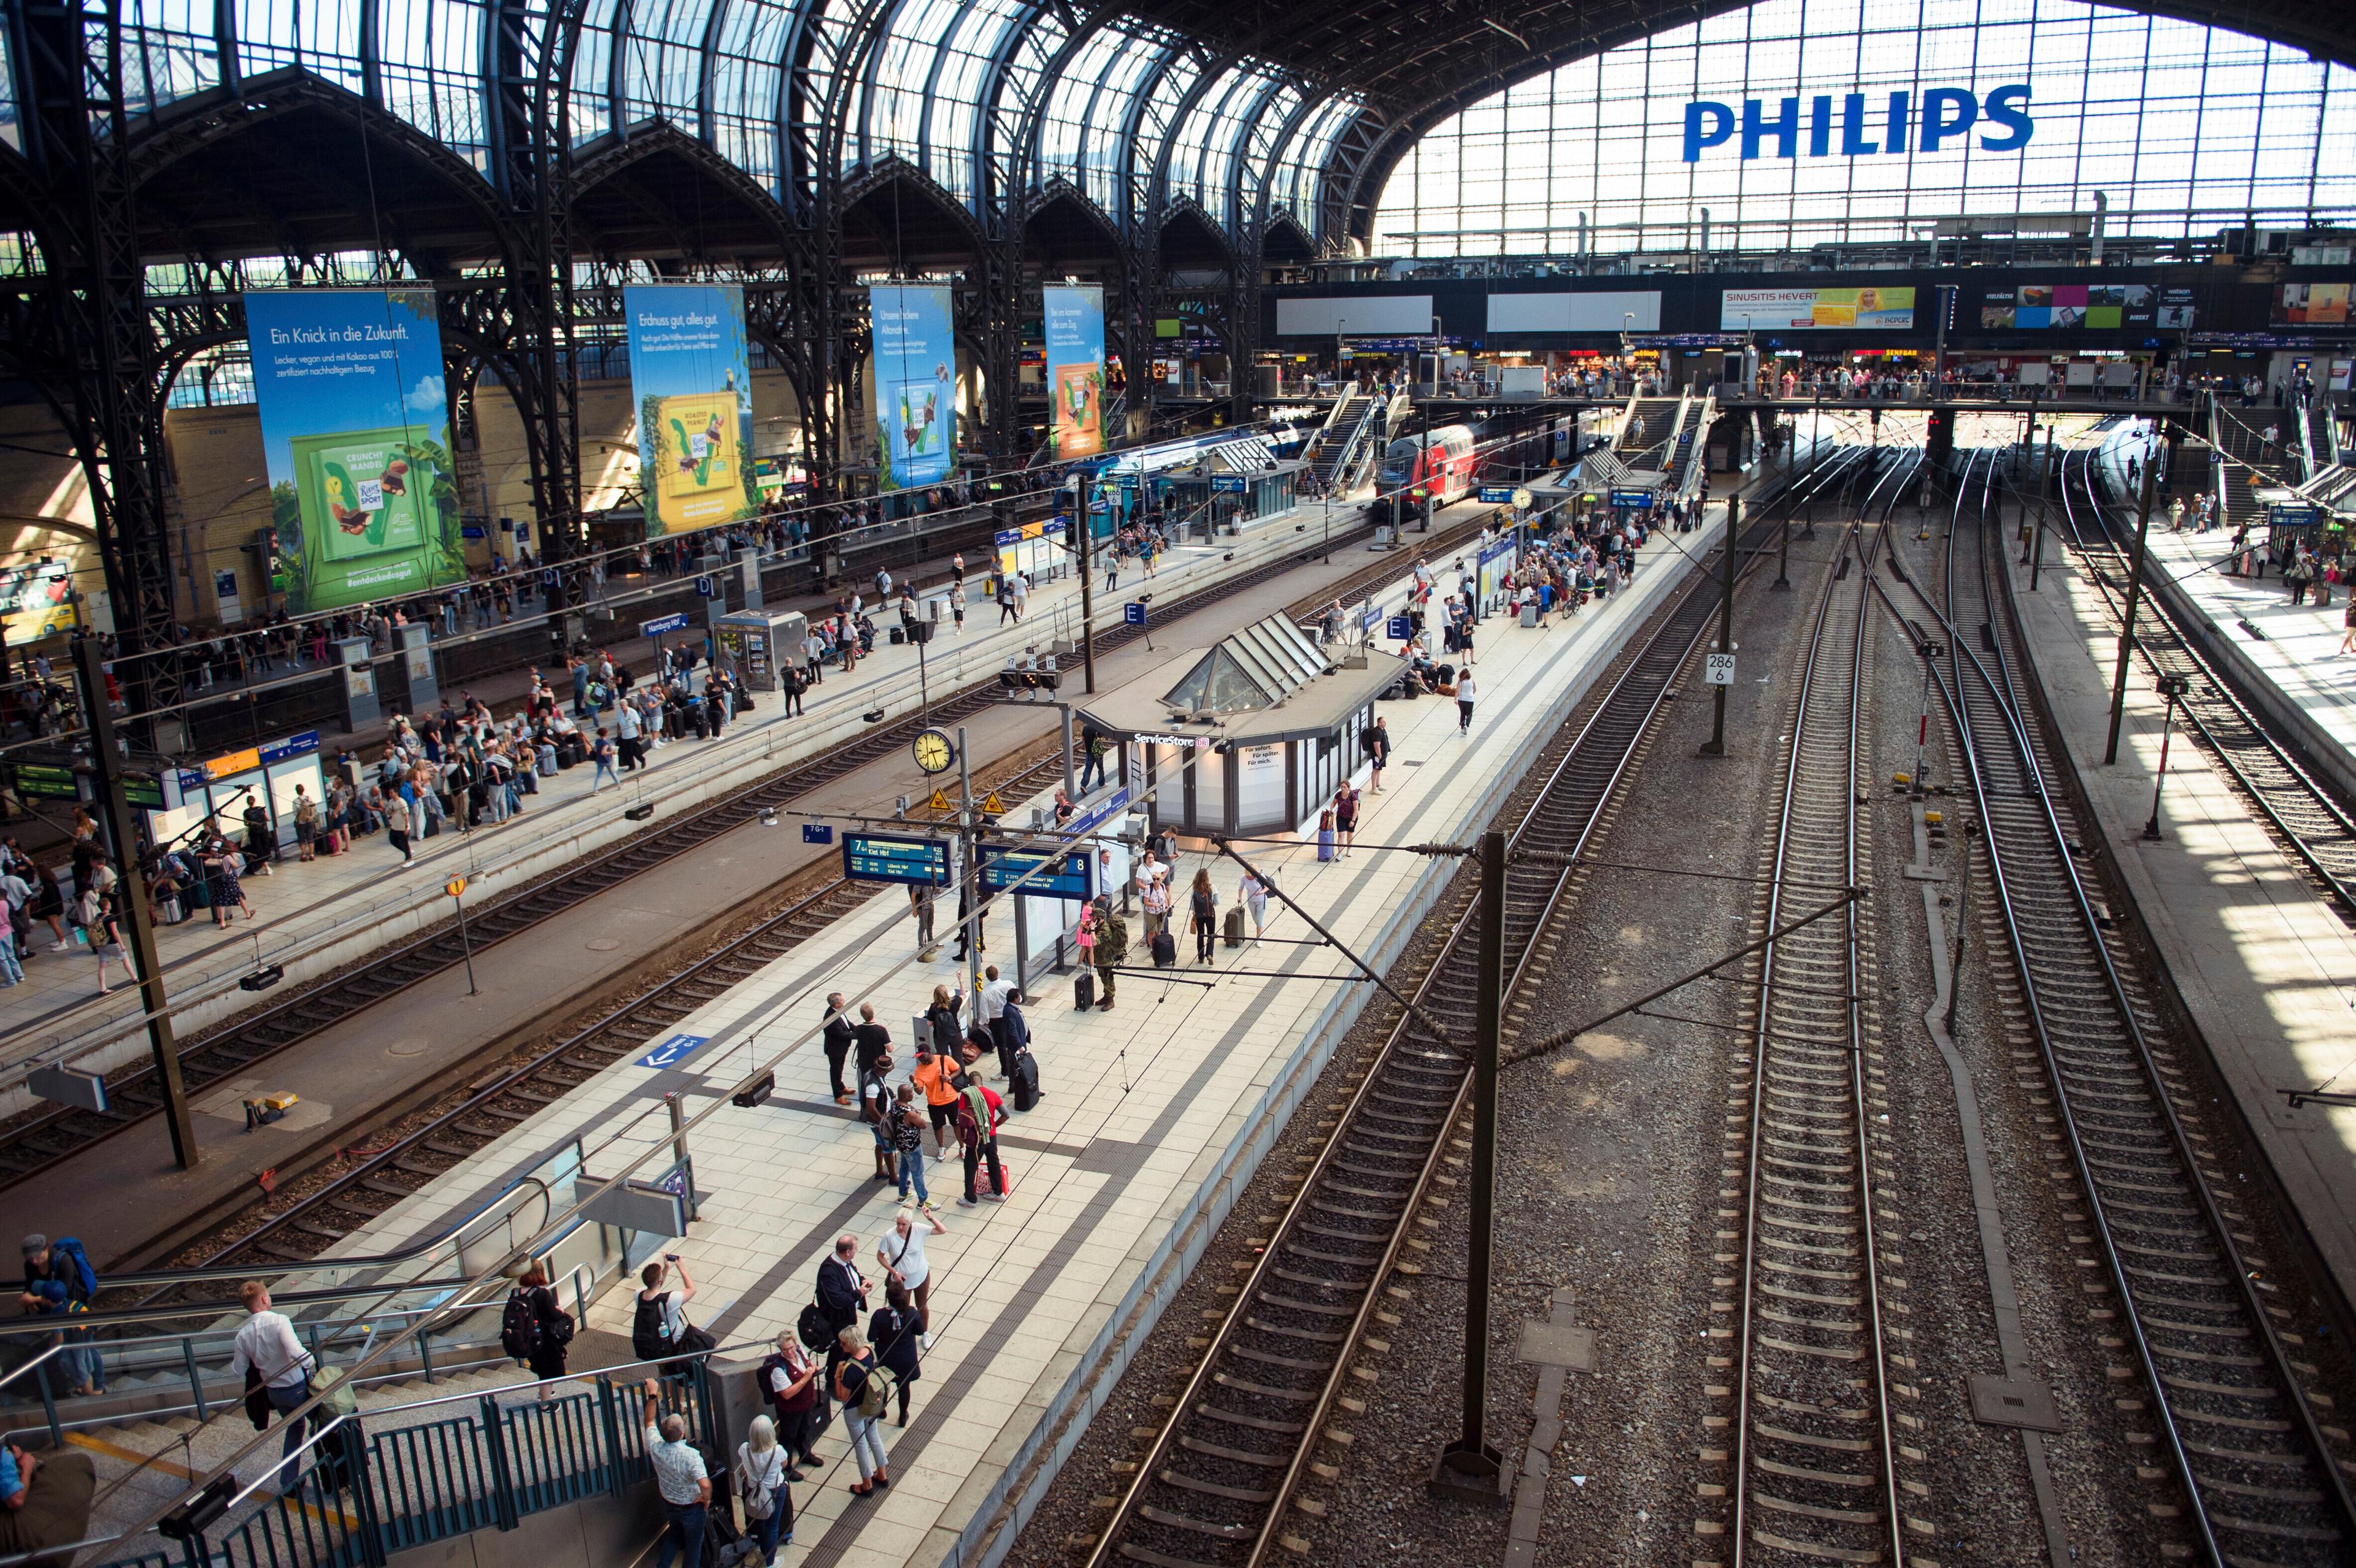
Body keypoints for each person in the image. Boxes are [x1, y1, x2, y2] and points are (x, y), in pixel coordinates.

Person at [230, 1280, 318, 1493]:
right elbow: (296, 1351)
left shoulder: (243, 1335)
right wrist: (312, 1363)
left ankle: (289, 1482)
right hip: (297, 1386)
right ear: (263, 1298)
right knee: (320, 1425)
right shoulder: (280, 1321)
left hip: (274, 1393)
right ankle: (334, 1474)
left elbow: (238, 1370)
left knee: (295, 1428)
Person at [641, 1379, 710, 1568]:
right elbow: (704, 1484)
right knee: (693, 1547)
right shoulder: (691, 1456)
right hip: (691, 1507)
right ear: (681, 1434)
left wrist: (653, 1395)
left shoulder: (656, 1446)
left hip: (670, 1502)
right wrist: (706, 1498)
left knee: (674, 1536)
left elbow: (648, 1420)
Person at [832, 1328, 890, 1495]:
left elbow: (843, 1396)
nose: (841, 1346)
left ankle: (867, 1484)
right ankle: (882, 1474)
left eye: (843, 1343)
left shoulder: (850, 1369)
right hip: (871, 1403)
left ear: (851, 1345)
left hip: (855, 1410)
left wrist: (837, 1376)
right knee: (874, 1436)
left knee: (861, 1445)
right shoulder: (870, 1351)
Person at [760, 1331, 823, 1475]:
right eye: (785, 1350)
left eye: (792, 1348)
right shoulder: (778, 1368)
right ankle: (786, 1468)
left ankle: (806, 1454)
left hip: (806, 1403)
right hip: (790, 1409)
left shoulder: (800, 1352)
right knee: (788, 1437)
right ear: (780, 1350)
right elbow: (787, 1394)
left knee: (805, 1430)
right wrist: (806, 1378)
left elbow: (807, 1364)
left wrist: (813, 1368)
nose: (790, 1352)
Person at [876, 1208, 944, 1343]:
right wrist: (894, 1272)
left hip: (921, 1275)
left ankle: (925, 1332)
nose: (900, 1227)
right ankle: (906, 1334)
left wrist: (930, 1218)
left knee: (922, 1305)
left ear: (911, 1223)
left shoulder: (918, 1229)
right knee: (902, 1308)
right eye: (898, 1223)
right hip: (901, 1280)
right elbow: (880, 1256)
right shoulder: (889, 1236)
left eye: (904, 1224)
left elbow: (942, 1230)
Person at [736, 1413, 792, 1566]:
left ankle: (763, 1548)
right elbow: (785, 1464)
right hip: (775, 1491)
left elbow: (746, 1465)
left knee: (760, 1523)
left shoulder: (744, 1449)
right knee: (772, 1526)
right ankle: (771, 1562)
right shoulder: (777, 1451)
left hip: (753, 1491)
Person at [513, 1261, 572, 1397]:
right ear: (540, 1273)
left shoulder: (515, 1293)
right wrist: (560, 1310)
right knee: (549, 1372)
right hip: (544, 1340)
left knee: (541, 1368)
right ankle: (545, 1404)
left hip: (526, 1338)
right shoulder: (542, 1294)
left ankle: (544, 1392)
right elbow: (554, 1315)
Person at [869, 1289, 923, 1426]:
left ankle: (881, 1410)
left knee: (882, 1384)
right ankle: (903, 1416)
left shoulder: (879, 1315)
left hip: (886, 1357)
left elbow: (871, 1337)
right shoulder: (911, 1313)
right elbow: (920, 1330)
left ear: (888, 1297)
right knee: (904, 1387)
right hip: (906, 1357)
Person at [633, 1256, 697, 1372]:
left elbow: (655, 1288)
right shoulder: (670, 1300)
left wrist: (666, 1269)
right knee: (675, 1377)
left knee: (666, 1372)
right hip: (673, 1347)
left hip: (654, 1344)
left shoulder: (639, 1295)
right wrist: (682, 1268)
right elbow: (692, 1289)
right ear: (660, 1280)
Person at [955, 1073, 1006, 1206]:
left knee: (970, 1165)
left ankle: (970, 1198)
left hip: (977, 1137)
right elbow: (1006, 1114)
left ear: (969, 1083)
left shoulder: (966, 1095)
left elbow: (961, 1116)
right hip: (991, 1133)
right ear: (982, 1081)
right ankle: (998, 1192)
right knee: (993, 1160)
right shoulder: (992, 1094)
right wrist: (994, 1124)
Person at [890, 1085, 931, 1207]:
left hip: (901, 1144)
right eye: (912, 1093)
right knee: (918, 1172)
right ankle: (923, 1200)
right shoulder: (910, 1113)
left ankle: (903, 1194)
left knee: (904, 1168)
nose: (914, 1094)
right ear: (907, 1096)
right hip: (913, 1146)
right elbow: (923, 1125)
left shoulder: (894, 1104)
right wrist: (917, 1114)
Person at [1088, 894, 1125, 1010]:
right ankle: (1106, 996)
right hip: (1100, 957)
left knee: (1108, 978)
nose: (1091, 919)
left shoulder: (1105, 930)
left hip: (1106, 958)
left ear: (1099, 918)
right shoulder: (1099, 926)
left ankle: (1111, 1000)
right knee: (1103, 977)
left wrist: (1093, 929)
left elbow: (1095, 942)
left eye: (1093, 917)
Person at [821, 991, 856, 1106]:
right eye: (842, 1001)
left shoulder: (838, 1011)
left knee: (839, 1068)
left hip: (841, 1048)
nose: (844, 1002)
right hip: (835, 1050)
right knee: (835, 1071)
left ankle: (841, 1087)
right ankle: (838, 1095)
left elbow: (847, 1024)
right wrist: (860, 1035)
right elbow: (842, 1034)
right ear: (836, 1004)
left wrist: (859, 1029)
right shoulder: (831, 1018)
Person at [1188, 868, 1219, 963]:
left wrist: (1194, 912)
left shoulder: (1194, 889)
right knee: (1211, 934)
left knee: (1201, 935)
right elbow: (1217, 902)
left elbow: (1192, 904)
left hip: (1199, 915)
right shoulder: (1212, 887)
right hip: (1210, 915)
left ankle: (1201, 957)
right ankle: (1209, 954)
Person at [1237, 869, 1269, 944]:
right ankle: (1262, 931)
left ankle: (1258, 938)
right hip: (1251, 901)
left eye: (1251, 876)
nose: (1250, 877)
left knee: (1259, 920)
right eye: (1248, 876)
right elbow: (1241, 888)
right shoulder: (1244, 878)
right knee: (1255, 919)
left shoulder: (1260, 876)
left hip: (1262, 901)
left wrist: (1261, 892)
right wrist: (1240, 897)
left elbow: (1267, 887)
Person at [1363, 715, 1390, 793]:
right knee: (1376, 770)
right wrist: (1380, 755)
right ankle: (1374, 788)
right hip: (1377, 756)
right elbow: (1376, 745)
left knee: (1379, 770)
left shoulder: (1382, 730)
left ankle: (1378, 785)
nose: (1385, 723)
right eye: (1383, 722)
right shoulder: (1377, 732)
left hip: (1382, 756)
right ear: (1379, 723)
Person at [1333, 783, 1361, 859]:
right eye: (1341, 787)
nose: (1343, 789)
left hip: (1351, 817)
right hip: (1341, 817)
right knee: (1341, 834)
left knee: (1349, 833)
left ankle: (1349, 849)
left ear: (1348, 788)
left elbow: (1356, 810)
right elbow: (1334, 802)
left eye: (1344, 787)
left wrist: (1353, 821)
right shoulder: (1338, 795)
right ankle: (1340, 853)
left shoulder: (1353, 797)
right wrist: (1331, 809)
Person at [590, 726, 619, 793]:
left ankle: (595, 789)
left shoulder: (597, 741)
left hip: (599, 760)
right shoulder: (605, 743)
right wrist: (612, 752)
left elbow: (596, 749)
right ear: (605, 734)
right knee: (613, 773)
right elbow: (604, 753)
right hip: (607, 760)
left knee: (599, 775)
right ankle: (619, 784)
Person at [1456, 668, 1479, 734]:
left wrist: (1455, 699)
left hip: (1461, 700)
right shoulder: (1472, 680)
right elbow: (1475, 689)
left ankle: (1462, 727)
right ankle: (1466, 725)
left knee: (1462, 714)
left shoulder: (1460, 681)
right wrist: (1471, 695)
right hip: (1470, 700)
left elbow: (1457, 691)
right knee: (1469, 714)